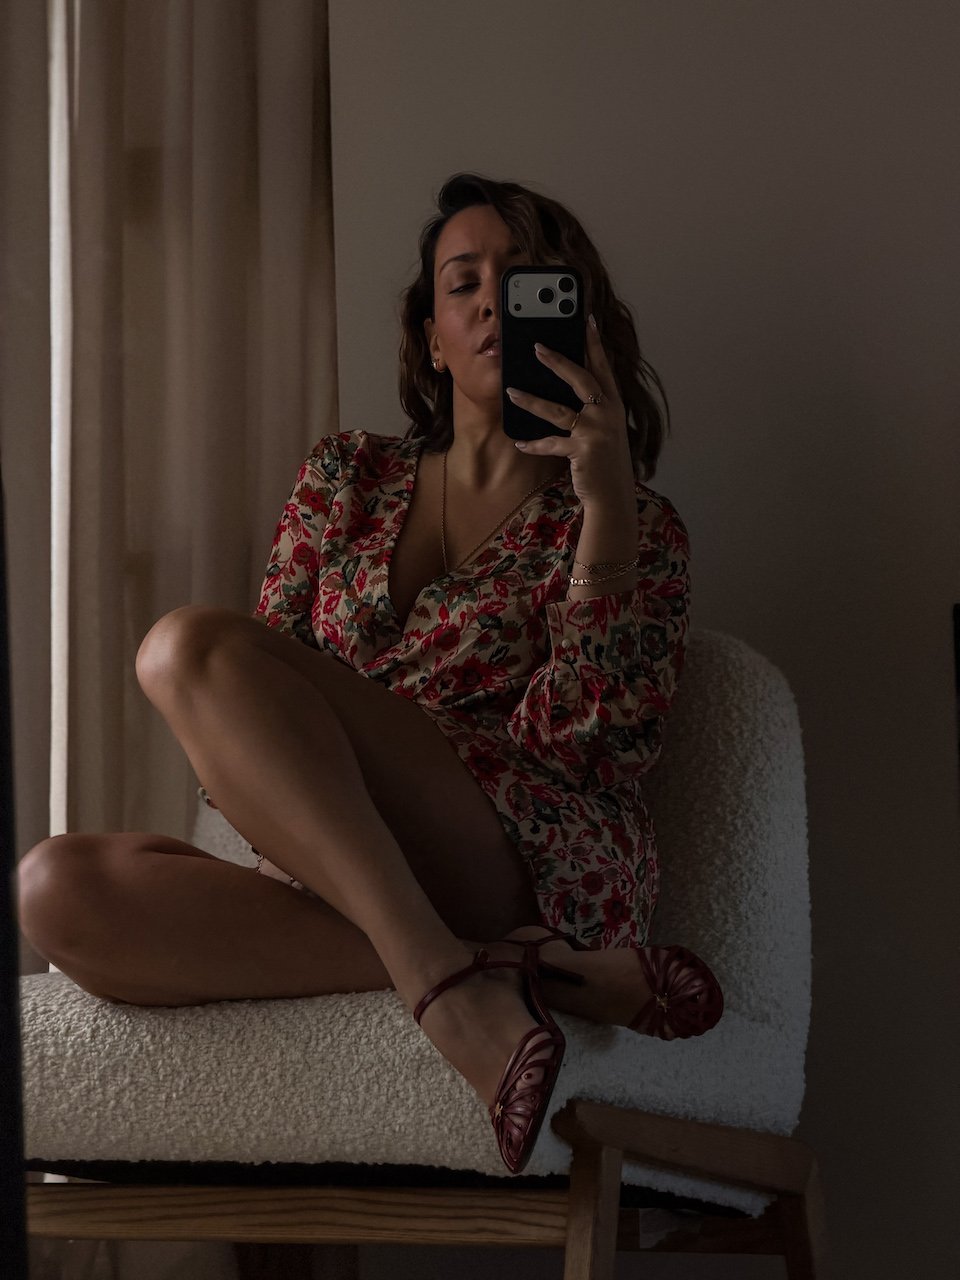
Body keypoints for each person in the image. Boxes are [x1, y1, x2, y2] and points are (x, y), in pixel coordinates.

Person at [17, 172, 722, 1175]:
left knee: (188, 645)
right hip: (352, 867)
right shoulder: (347, 475)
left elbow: (597, 749)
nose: (491, 303)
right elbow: (246, 730)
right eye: (463, 283)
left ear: (579, 319)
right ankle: (513, 971)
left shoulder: (635, 521)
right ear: (433, 337)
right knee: (55, 889)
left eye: (524, 282)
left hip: (526, 847)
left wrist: (603, 500)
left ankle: (452, 993)